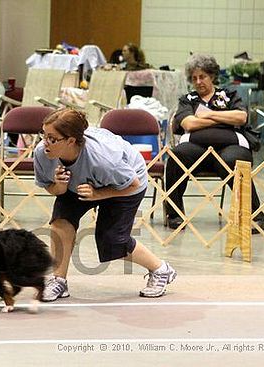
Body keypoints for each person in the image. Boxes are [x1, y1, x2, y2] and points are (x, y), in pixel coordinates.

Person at [34, 108, 177, 301]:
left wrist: (98, 194)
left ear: (70, 141)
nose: (45, 143)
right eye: (43, 135)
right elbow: (51, 189)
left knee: (111, 241)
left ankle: (161, 270)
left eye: (52, 138)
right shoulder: (42, 154)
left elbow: (132, 184)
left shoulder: (103, 159)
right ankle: (59, 280)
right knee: (61, 222)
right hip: (80, 183)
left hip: (125, 182)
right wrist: (59, 186)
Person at [165, 54, 264, 233]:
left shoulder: (229, 95)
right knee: (176, 157)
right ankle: (174, 215)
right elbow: (189, 124)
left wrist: (207, 114)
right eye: (194, 78)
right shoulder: (187, 100)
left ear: (211, 76)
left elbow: (241, 117)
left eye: (202, 76)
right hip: (195, 149)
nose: (198, 81)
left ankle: (254, 216)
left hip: (232, 147)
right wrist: (224, 119)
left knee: (234, 161)